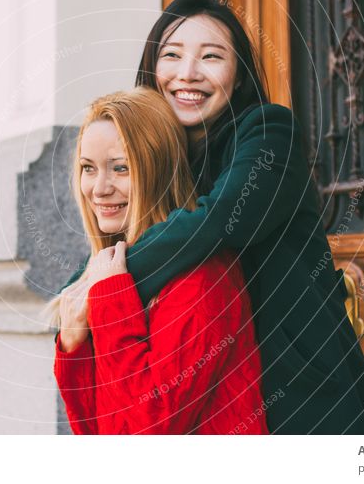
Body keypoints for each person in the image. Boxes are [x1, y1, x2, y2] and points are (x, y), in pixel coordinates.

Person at [59, 0, 364, 435]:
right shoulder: (164, 161)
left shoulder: (268, 134)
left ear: (237, 77)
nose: (187, 73)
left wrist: (100, 287)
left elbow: (217, 222)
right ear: (151, 71)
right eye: (172, 55)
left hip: (301, 397)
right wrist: (86, 293)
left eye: (211, 56)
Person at [46, 87, 268, 435]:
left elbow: (152, 425)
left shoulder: (202, 276)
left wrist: (110, 300)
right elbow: (96, 432)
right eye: (88, 168)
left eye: (120, 168)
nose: (99, 188)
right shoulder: (113, 270)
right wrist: (74, 347)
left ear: (158, 169)